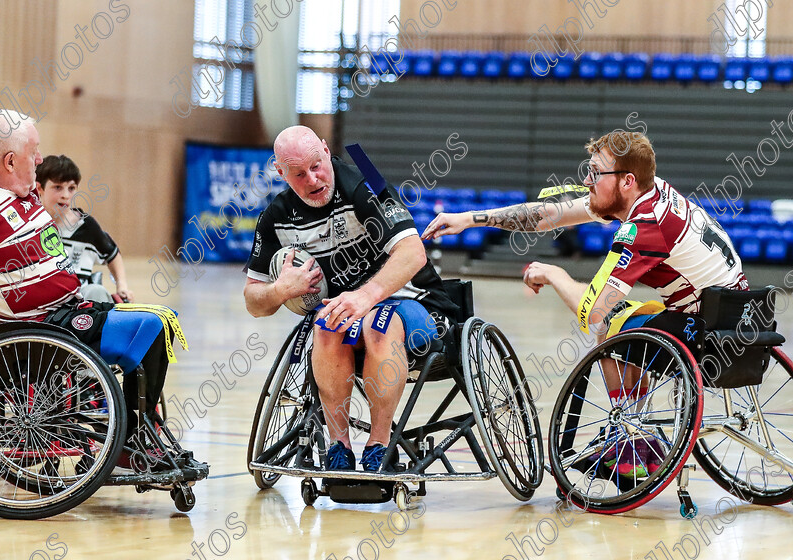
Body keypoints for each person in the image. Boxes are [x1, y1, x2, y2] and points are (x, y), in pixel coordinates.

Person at [423, 130, 748, 477]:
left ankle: (633, 439)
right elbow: (548, 215)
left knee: (607, 320)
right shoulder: (649, 191)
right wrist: (470, 218)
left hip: (708, 335)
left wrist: (553, 274)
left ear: (626, 181)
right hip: (735, 316)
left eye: (595, 172)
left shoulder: (645, 226)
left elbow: (593, 308)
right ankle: (635, 435)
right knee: (630, 316)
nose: (586, 180)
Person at [0, 110, 182, 467]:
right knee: (153, 325)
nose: (41, 159)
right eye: (34, 151)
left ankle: (138, 430)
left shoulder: (23, 193)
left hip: (66, 311)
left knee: (162, 319)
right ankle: (130, 440)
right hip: (38, 330)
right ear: (11, 160)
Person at [244, 126, 459, 472]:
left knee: (378, 322)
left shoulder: (363, 183)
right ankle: (338, 445)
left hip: (415, 303)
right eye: (299, 174)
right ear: (281, 173)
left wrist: (365, 296)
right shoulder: (275, 218)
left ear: (327, 151)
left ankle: (379, 445)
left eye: (317, 165)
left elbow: (413, 252)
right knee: (325, 323)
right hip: (346, 319)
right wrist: (281, 290)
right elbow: (253, 301)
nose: (313, 179)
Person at [36, 155, 134, 303]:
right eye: (58, 187)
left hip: (81, 307)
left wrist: (122, 285)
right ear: (39, 188)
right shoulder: (30, 224)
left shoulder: (87, 226)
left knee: (96, 292)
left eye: (71, 188)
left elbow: (113, 254)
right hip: (44, 305)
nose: (65, 195)